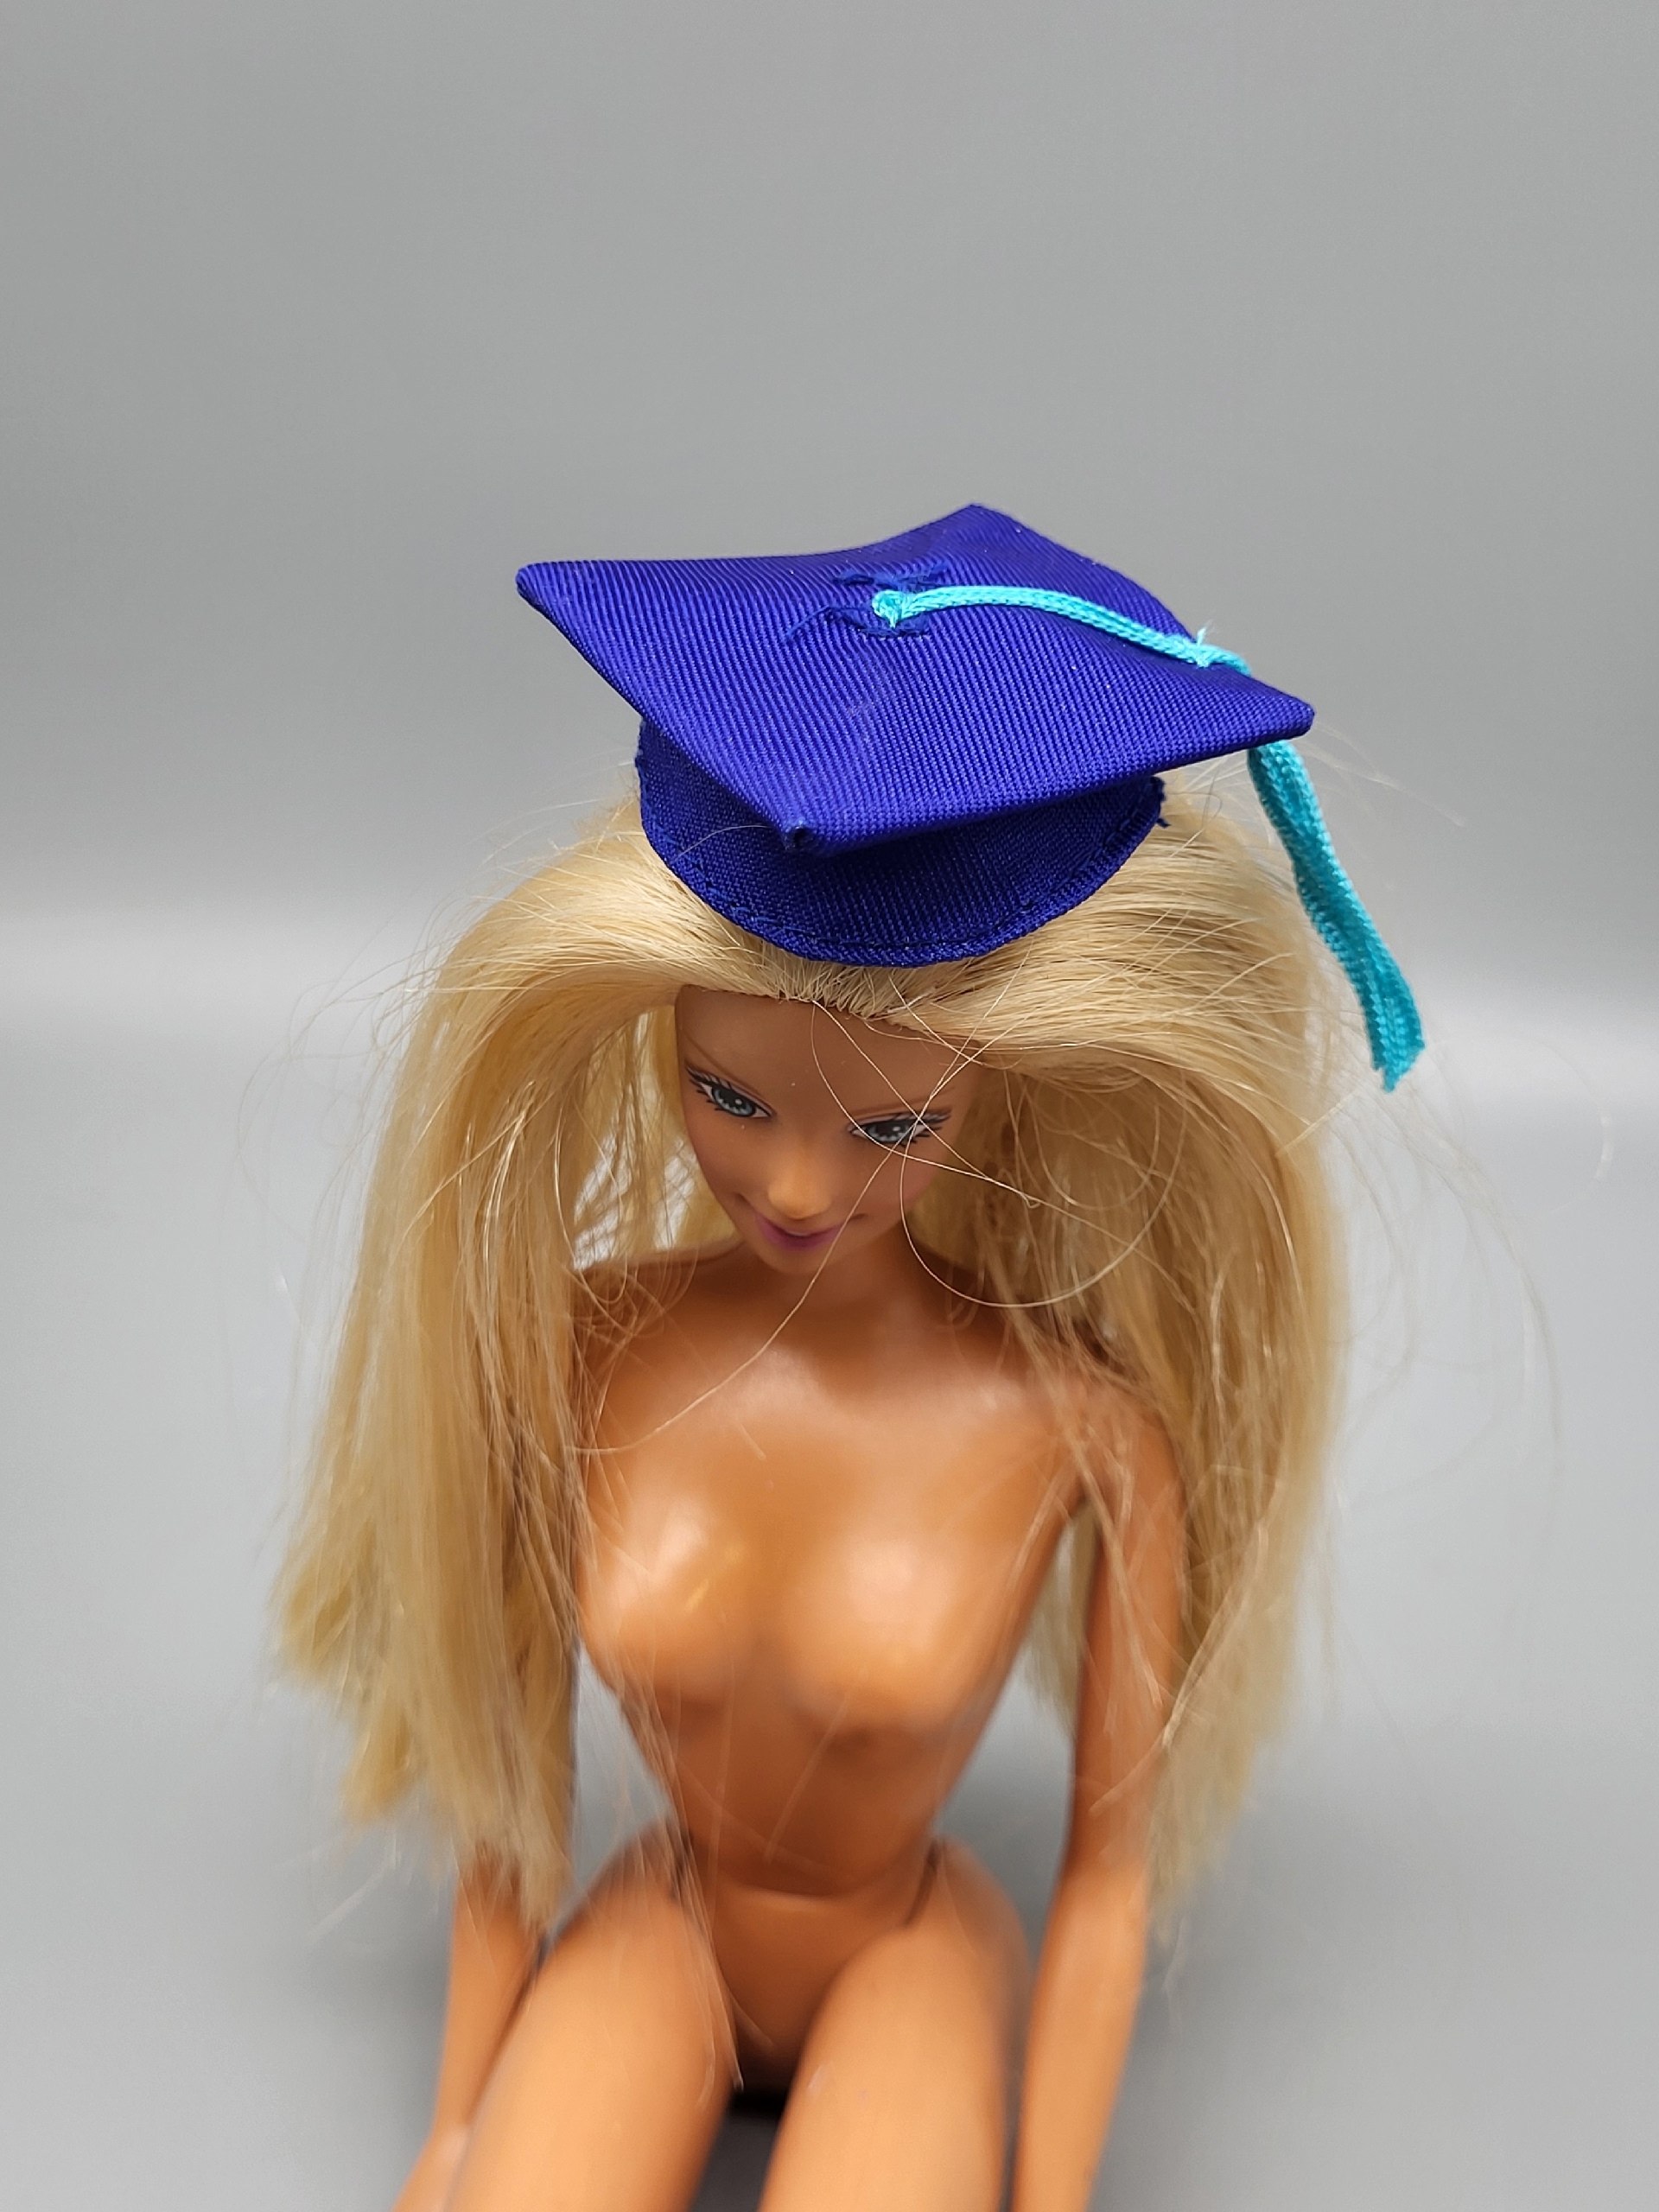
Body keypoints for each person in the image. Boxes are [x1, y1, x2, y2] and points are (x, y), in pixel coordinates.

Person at [278, 505, 1421, 2211]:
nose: (799, 1186)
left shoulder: (1082, 1425)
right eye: (728, 1095)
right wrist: (458, 2128)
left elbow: (1107, 1882)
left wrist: (1045, 2195)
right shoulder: (579, 1347)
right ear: (656, 1038)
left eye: (891, 1125)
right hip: (665, 1923)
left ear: (990, 1099)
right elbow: (513, 1799)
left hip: (904, 1950)